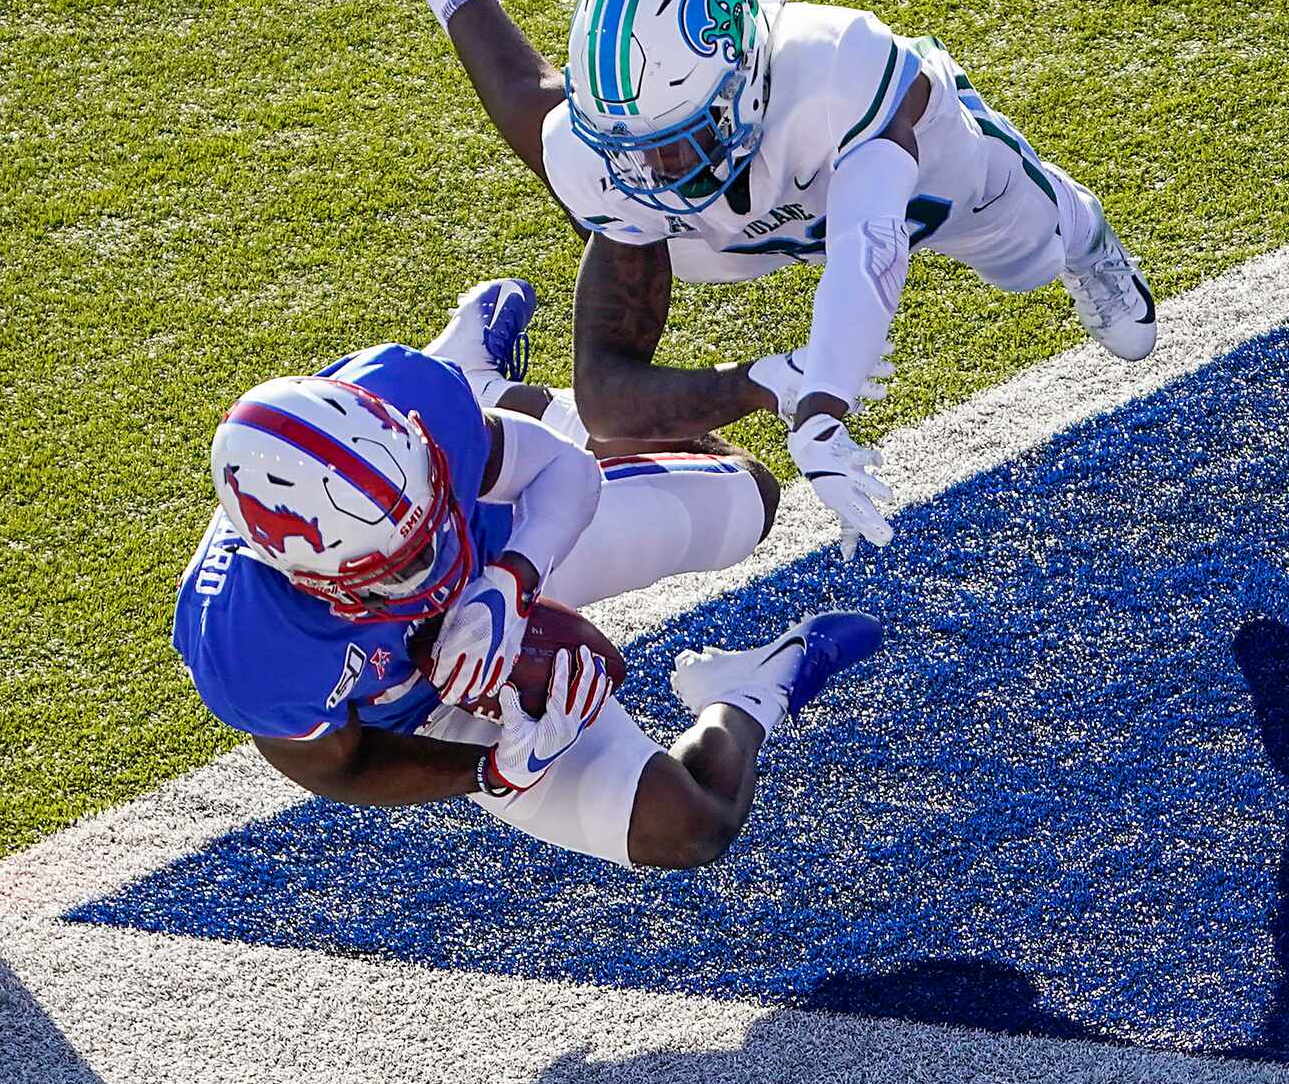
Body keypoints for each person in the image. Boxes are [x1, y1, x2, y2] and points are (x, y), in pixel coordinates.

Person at [379, 0, 1158, 557]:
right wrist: (769, 381)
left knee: (1032, 255)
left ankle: (1086, 236)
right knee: (593, 194)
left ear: (747, 81)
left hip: (931, 193)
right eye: (635, 147)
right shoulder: (619, 159)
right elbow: (604, 395)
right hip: (735, 236)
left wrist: (823, 410)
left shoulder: (836, 72)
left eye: (675, 143)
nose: (651, 171)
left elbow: (869, 248)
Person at [174, 280, 883, 869]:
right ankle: (750, 692)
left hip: (500, 548)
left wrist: (512, 578)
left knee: (746, 496)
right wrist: (487, 770)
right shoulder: (248, 647)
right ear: (304, 576)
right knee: (690, 829)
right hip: (425, 698)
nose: (429, 568)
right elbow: (340, 765)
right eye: (396, 567)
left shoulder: (405, 396)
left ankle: (489, 391)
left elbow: (558, 470)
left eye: (424, 524)